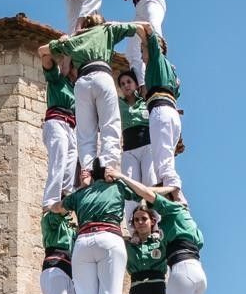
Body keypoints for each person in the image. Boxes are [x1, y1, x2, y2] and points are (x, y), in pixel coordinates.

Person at [111, 172, 205, 294]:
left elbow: (150, 195)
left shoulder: (164, 237)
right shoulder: (127, 244)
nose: (140, 222)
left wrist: (171, 189)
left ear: (153, 221)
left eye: (143, 218)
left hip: (160, 292)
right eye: (136, 220)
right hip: (137, 293)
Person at [49, 167, 135, 294]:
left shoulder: (80, 194)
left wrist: (51, 205)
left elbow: (58, 207)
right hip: (109, 237)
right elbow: (143, 194)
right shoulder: (117, 187)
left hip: (83, 241)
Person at [47, 18, 138, 179]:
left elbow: (52, 49)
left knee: (85, 131)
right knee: (110, 125)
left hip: (82, 83)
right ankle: (108, 166)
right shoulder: (106, 30)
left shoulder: (76, 38)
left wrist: (65, 39)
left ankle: (86, 170)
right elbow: (133, 27)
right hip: (102, 75)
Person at [134, 25, 181, 190]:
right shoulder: (171, 71)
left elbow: (147, 30)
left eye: (142, 49)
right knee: (165, 156)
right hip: (171, 112)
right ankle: (167, 186)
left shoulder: (156, 59)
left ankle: (174, 192)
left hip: (160, 110)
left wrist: (131, 27)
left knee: (162, 157)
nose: (141, 54)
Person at [36, 43, 77, 210]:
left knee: (71, 161)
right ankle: (50, 202)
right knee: (58, 160)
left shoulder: (78, 89)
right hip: (57, 121)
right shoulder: (57, 79)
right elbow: (45, 58)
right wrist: (60, 47)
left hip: (71, 126)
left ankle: (66, 196)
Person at [118, 72, 154, 191]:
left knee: (150, 183)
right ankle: (132, 210)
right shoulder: (118, 104)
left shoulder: (146, 103)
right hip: (128, 150)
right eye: (122, 84)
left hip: (147, 147)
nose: (126, 85)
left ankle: (152, 210)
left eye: (129, 82)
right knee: (130, 187)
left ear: (136, 84)